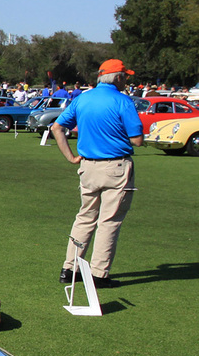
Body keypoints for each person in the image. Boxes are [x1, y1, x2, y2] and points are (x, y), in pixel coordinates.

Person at [52, 59, 144, 289]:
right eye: (125, 76)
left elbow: (57, 128)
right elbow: (137, 140)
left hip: (88, 167)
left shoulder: (82, 98)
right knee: (109, 221)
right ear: (119, 78)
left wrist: (71, 157)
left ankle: (70, 268)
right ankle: (99, 274)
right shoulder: (123, 101)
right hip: (115, 167)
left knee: (85, 217)